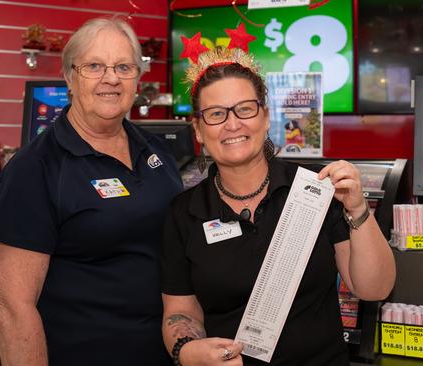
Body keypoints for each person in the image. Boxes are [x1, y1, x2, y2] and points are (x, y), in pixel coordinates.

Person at [161, 45, 396, 365]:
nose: (232, 124)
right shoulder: (183, 213)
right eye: (216, 114)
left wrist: (357, 209)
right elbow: (180, 311)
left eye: (244, 108)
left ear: (266, 115)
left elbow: (374, 288)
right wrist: (186, 351)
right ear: (199, 129)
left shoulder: (314, 189)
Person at [0, 18, 183, 366]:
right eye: (94, 66)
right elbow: (14, 308)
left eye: (124, 66)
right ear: (70, 78)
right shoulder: (35, 169)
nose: (111, 78)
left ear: (137, 78)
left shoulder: (157, 153)